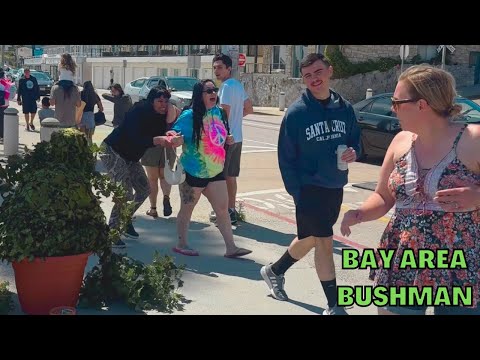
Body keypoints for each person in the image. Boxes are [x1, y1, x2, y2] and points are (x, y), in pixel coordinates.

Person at [340, 64, 480, 315]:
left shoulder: (473, 139)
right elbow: (383, 196)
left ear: (422, 105)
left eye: (397, 101)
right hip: (403, 257)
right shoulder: (400, 141)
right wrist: (359, 213)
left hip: (462, 263)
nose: (392, 108)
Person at [260, 53, 360, 315]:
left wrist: (353, 152)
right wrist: (297, 193)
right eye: (307, 75)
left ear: (329, 71)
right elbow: (285, 157)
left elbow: (355, 141)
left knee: (312, 238)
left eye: (318, 72)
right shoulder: (296, 113)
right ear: (303, 79)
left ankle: (274, 271)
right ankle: (334, 304)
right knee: (325, 242)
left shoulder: (345, 107)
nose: (314, 79)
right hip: (308, 188)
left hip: (334, 185)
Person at [167, 79, 252, 258]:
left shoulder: (219, 113)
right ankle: (182, 244)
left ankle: (231, 247)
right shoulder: (189, 115)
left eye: (215, 89)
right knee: (187, 208)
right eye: (209, 91)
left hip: (215, 169)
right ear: (200, 95)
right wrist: (174, 138)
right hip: (193, 171)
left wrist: (227, 138)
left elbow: (220, 135)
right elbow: (175, 132)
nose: (213, 93)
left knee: (222, 209)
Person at [100, 86, 183, 248]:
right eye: (159, 101)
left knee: (144, 189)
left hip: (131, 157)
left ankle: (125, 219)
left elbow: (163, 132)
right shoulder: (137, 111)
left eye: (166, 101)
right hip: (112, 151)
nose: (163, 105)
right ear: (151, 101)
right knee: (124, 193)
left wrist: (170, 133)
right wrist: (157, 140)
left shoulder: (161, 116)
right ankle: (112, 231)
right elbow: (135, 138)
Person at [210, 53, 253, 225]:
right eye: (214, 68)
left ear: (229, 68)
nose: (216, 71)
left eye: (220, 67)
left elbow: (224, 113)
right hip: (238, 138)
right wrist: (237, 119)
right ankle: (231, 210)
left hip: (225, 140)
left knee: (219, 177)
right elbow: (249, 108)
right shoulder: (237, 85)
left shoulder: (226, 87)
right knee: (231, 177)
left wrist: (218, 135)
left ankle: (222, 212)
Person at [140, 90, 181, 218]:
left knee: (152, 179)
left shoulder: (149, 110)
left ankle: (153, 208)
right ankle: (166, 197)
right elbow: (177, 122)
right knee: (165, 176)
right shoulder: (173, 109)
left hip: (152, 145)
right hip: (168, 145)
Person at [79, 81, 104, 146]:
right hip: (90, 116)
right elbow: (101, 108)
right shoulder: (94, 95)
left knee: (82, 137)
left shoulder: (81, 94)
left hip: (81, 116)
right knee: (89, 137)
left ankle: (83, 152)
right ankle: (90, 152)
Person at [0, 69, 16, 141]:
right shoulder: (6, 83)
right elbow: (11, 95)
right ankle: (3, 136)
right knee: (3, 120)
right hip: (5, 104)